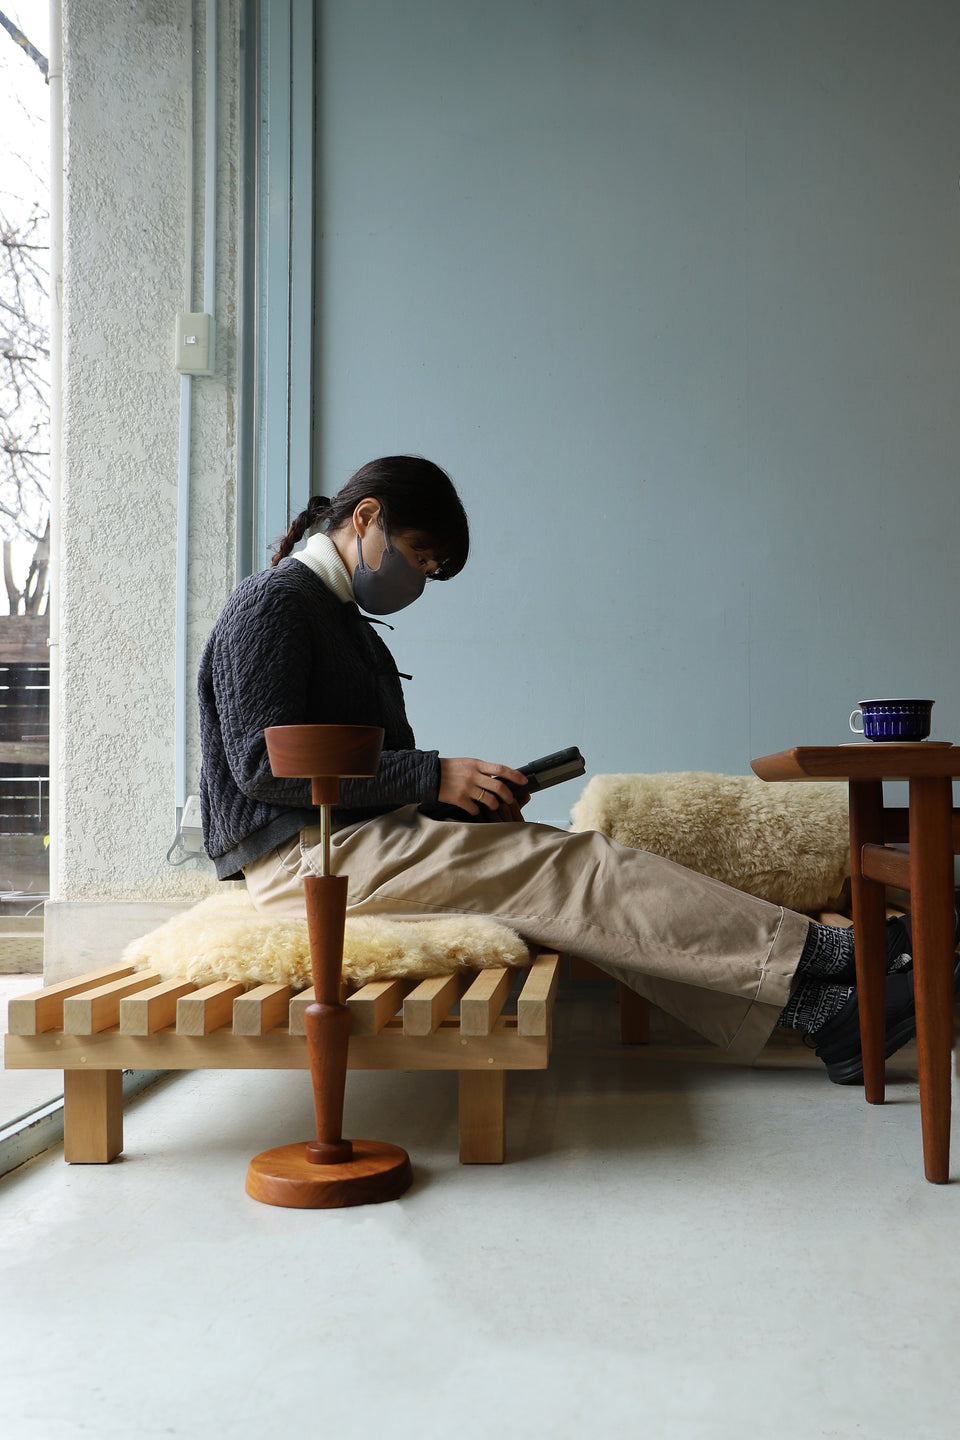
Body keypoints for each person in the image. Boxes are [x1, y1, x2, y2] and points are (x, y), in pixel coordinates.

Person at [198, 455, 922, 1084]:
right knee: (575, 868)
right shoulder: (274, 604)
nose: (418, 578)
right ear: (366, 518)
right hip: (306, 861)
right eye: (418, 556)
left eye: (428, 570)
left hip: (350, 842)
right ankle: (832, 955)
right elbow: (261, 765)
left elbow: (363, 776)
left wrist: (457, 802)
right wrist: (432, 778)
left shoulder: (345, 624)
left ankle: (827, 1014)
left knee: (566, 878)